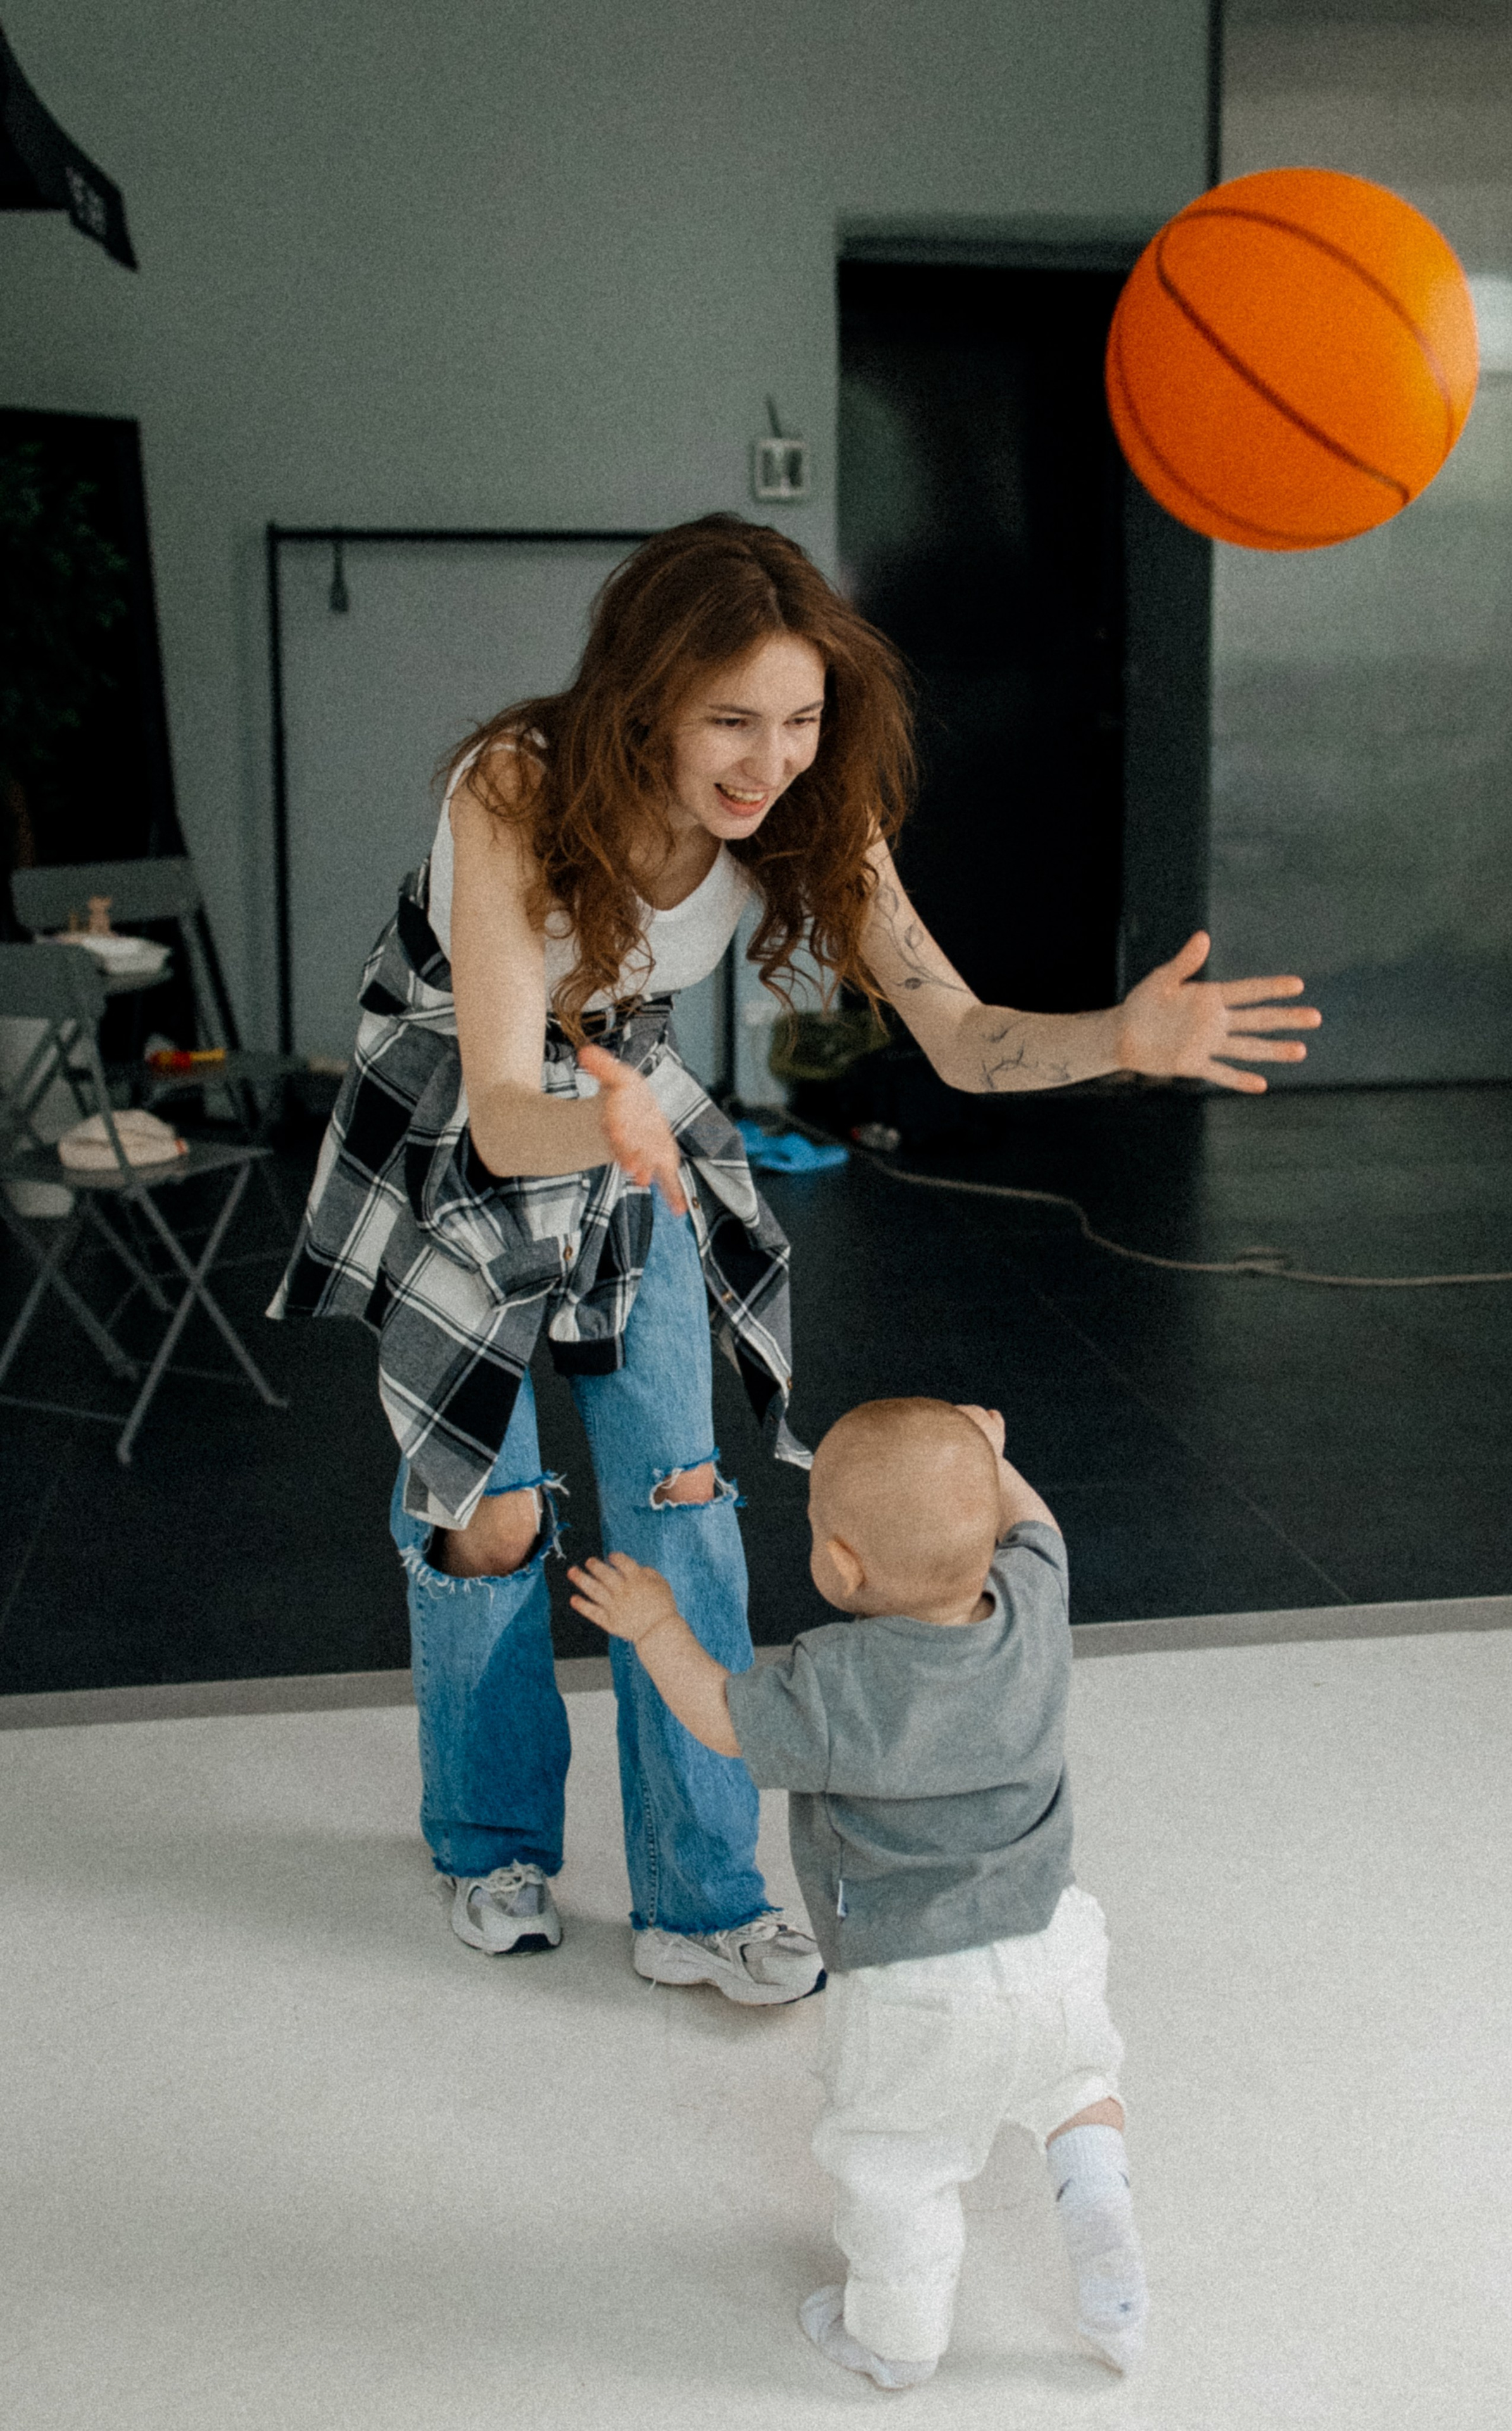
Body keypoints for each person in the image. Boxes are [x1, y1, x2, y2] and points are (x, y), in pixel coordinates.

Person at [270, 512, 1318, 2007]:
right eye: (730, 723)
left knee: (681, 1495)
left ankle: (701, 1899)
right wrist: (616, 1133)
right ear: (644, 703)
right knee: (485, 1520)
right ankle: (488, 1839)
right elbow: (506, 1116)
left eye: (804, 718)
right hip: (464, 1115)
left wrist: (1121, 1042)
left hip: (626, 1109)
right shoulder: (516, 785)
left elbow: (956, 1036)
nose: (770, 762)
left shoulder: (812, 813)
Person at [567, 1395, 1142, 2386]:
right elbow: (1036, 1521)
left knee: (900, 2167)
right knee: (1078, 2083)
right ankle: (1098, 2214)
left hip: (918, 1992)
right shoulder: (1036, 1603)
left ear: (839, 1566)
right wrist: (988, 1458)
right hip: (1057, 1947)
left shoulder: (833, 1684)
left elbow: (719, 1721)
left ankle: (896, 2339)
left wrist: (656, 1625)